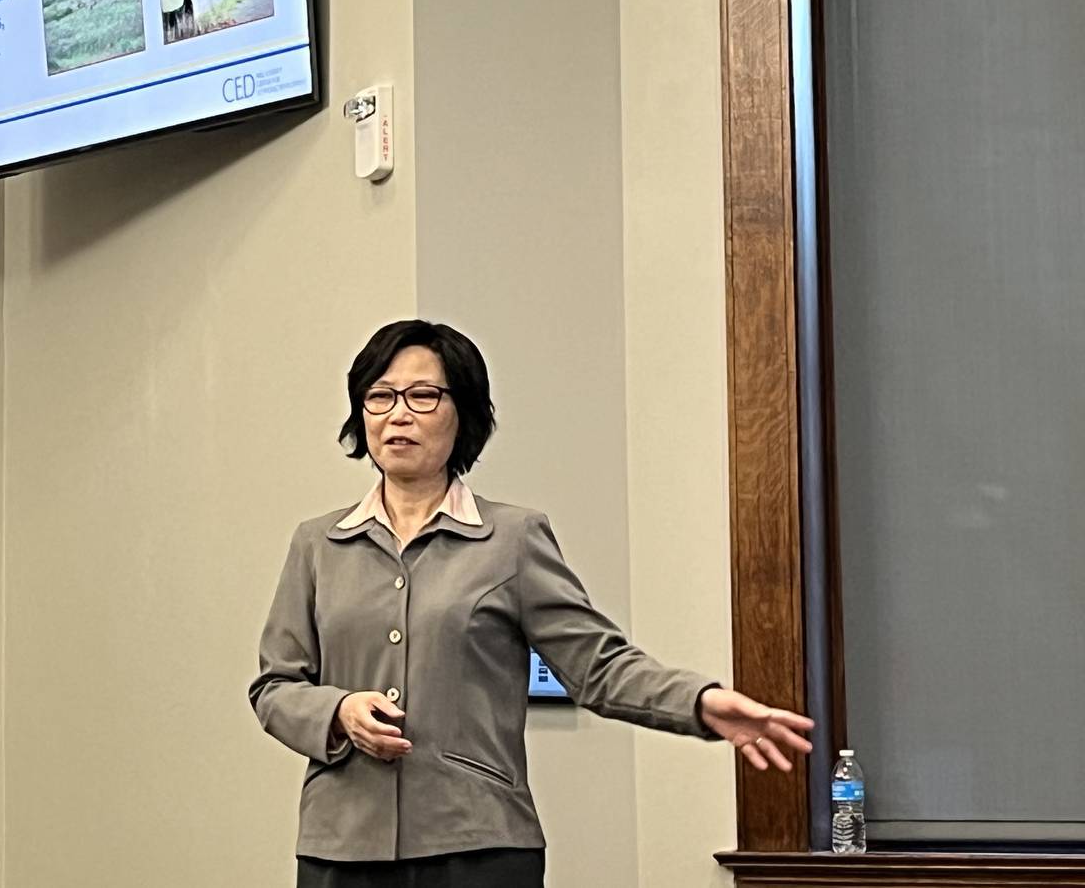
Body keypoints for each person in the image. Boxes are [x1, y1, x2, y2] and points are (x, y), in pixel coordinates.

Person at [248, 320, 813, 888]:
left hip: (481, 844)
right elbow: (276, 686)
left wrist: (700, 700)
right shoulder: (317, 544)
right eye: (379, 396)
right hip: (340, 848)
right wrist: (339, 712)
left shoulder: (513, 539)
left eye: (423, 396)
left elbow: (597, 665)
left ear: (463, 412)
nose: (399, 414)